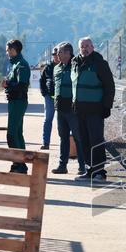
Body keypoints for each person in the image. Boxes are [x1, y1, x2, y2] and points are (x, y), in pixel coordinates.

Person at [72, 37, 115, 180]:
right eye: (82, 46)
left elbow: (109, 86)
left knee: (96, 140)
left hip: (95, 109)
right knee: (84, 140)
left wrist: (107, 106)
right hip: (79, 109)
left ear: (93, 47)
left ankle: (100, 171)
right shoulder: (75, 63)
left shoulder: (100, 64)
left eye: (87, 45)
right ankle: (90, 169)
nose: (84, 48)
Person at [51, 42, 86, 175]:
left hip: (73, 108)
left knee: (78, 137)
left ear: (68, 53)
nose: (57, 55)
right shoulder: (57, 68)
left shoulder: (76, 66)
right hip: (60, 108)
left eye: (60, 52)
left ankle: (82, 166)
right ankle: (62, 166)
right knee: (63, 137)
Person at [3, 39, 30, 173]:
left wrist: (8, 84)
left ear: (14, 50)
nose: (6, 52)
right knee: (18, 133)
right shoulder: (14, 64)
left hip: (18, 101)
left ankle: (19, 163)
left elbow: (22, 85)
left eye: (8, 49)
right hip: (14, 101)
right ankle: (20, 163)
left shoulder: (21, 64)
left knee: (12, 134)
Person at [40, 47, 58, 150]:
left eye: (56, 54)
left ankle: (66, 144)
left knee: (63, 122)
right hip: (49, 97)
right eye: (54, 54)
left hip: (62, 98)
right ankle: (45, 143)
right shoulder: (48, 67)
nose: (55, 56)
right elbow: (42, 80)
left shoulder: (66, 66)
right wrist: (44, 93)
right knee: (47, 120)